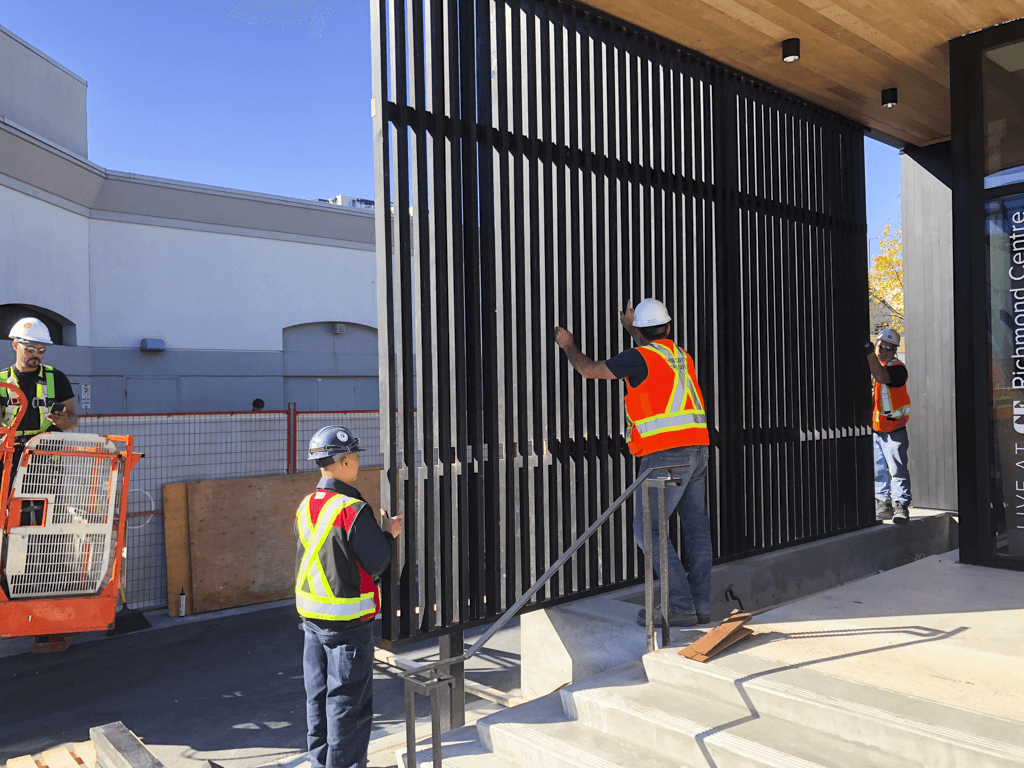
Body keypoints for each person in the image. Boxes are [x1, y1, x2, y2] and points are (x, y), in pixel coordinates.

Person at [554, 298, 712, 628]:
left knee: (648, 531)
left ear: (641, 331)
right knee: (696, 530)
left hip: (665, 455)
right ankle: (700, 604)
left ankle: (681, 605)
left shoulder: (638, 358)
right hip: (697, 449)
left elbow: (588, 370)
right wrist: (631, 327)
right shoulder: (680, 356)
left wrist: (568, 345)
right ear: (668, 327)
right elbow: (648, 352)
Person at [296, 425, 403, 768]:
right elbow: (379, 563)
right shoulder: (352, 509)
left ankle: (320, 763)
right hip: (348, 630)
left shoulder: (307, 504)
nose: (357, 463)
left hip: (311, 625)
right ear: (342, 462)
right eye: (354, 457)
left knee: (319, 702)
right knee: (348, 711)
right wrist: (389, 534)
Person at [2, 317, 78, 438]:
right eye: (30, 349)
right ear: (15, 345)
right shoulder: (2, 380)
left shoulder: (56, 378)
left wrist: (63, 421)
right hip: (10, 451)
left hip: (45, 453)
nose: (36, 355)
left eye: (41, 350)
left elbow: (73, 421)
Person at [866, 328, 912, 524]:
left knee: (897, 470)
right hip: (877, 428)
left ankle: (901, 506)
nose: (883, 351)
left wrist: (869, 353)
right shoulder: (877, 364)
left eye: (889, 348)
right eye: (881, 346)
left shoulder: (897, 368)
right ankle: (882, 505)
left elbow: (882, 377)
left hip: (894, 430)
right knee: (878, 470)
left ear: (895, 350)